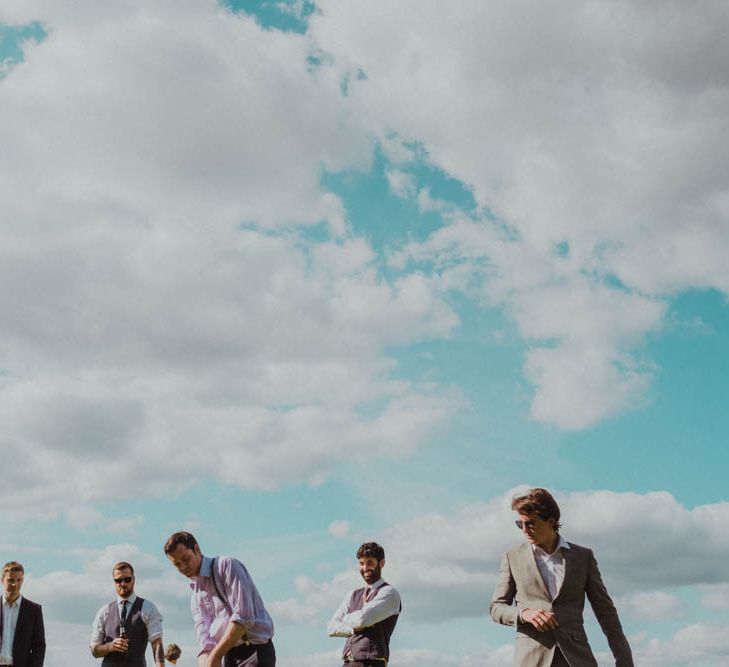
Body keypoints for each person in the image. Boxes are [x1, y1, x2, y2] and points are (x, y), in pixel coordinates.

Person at [490, 488, 634, 667]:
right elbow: (496, 608)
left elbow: (606, 613)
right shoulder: (512, 557)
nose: (525, 530)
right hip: (532, 659)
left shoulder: (583, 557)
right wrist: (524, 614)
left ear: (551, 521)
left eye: (531, 523)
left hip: (577, 658)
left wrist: (624, 660)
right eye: (520, 524)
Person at [164, 531, 275, 667]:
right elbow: (203, 638)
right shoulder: (195, 596)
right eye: (177, 565)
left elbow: (244, 616)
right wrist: (206, 661)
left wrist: (215, 656)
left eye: (186, 559)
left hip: (254, 651)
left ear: (197, 549)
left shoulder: (226, 566)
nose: (183, 567)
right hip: (226, 656)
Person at [327, 542, 401, 666]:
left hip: (371, 663)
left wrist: (344, 619)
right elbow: (331, 627)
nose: (365, 568)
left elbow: (362, 619)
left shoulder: (389, 593)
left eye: (370, 563)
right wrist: (351, 629)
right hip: (347, 663)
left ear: (381, 563)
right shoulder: (352, 594)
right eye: (362, 563)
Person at [90, 561, 165, 667]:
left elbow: (156, 643)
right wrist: (110, 646)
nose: (123, 583)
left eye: (127, 579)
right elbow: (94, 650)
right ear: (114, 582)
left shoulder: (148, 608)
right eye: (118, 580)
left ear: (133, 580)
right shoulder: (104, 611)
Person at [0, 561, 45, 667]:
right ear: (2, 580)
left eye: (19, 580)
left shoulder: (34, 610)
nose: (15, 584)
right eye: (10, 580)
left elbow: (39, 646)